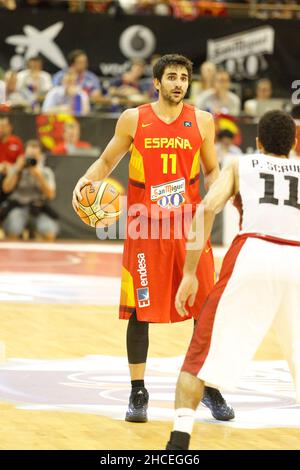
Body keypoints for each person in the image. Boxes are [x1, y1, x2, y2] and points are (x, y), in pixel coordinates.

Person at [72, 54, 234, 424]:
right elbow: (106, 161)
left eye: (183, 78)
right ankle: (137, 391)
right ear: (157, 83)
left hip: (188, 228)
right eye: (171, 77)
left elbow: (211, 169)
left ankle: (206, 386)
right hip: (145, 228)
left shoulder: (203, 121)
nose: (178, 83)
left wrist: (217, 192)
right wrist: (86, 181)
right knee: (139, 312)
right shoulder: (134, 118)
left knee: (204, 308)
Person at [166, 110, 300, 450]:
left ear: (257, 142)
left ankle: (178, 443)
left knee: (200, 356)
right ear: (294, 144)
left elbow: (206, 208)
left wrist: (190, 273)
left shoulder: (242, 165)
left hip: (253, 253)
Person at [2, 139, 58, 240]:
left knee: (49, 231)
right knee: (13, 229)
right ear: (24, 155)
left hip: (38, 208)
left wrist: (39, 176)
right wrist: (17, 170)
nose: (31, 161)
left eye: (34, 157)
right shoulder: (17, 168)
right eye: (29, 157)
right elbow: (6, 188)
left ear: (41, 157)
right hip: (18, 206)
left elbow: (50, 195)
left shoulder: (46, 172)